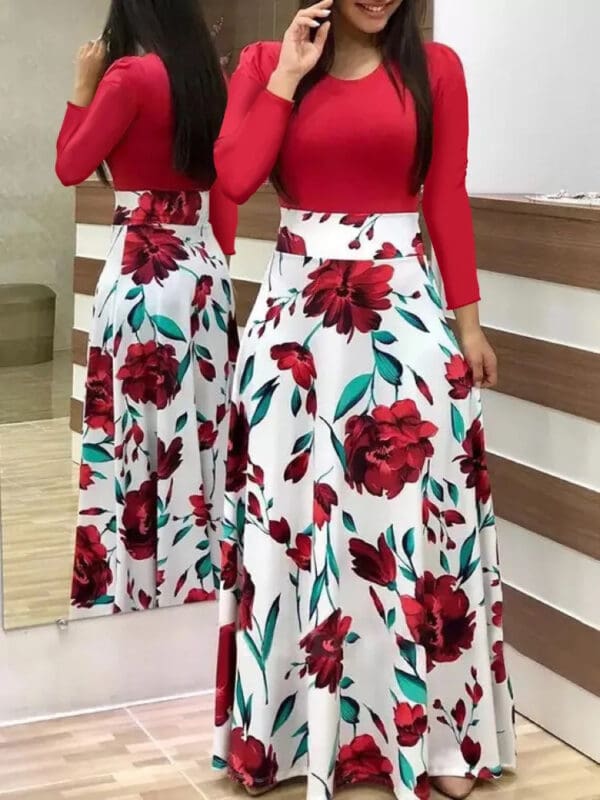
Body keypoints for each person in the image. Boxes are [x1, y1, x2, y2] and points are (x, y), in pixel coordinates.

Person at [212, 0, 516, 798]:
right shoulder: (261, 64)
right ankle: (285, 739)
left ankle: (436, 741)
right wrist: (287, 73)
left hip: (406, 315)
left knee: (412, 523)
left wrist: (469, 326)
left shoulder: (437, 69)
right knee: (296, 523)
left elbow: (446, 197)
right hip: (295, 330)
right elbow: (237, 177)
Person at [56, 0, 238, 617]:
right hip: (204, 274)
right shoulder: (208, 77)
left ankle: (136, 593)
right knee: (202, 435)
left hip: (141, 272)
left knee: (137, 437)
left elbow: (70, 165)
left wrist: (81, 88)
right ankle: (200, 590)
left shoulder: (128, 77)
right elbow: (226, 190)